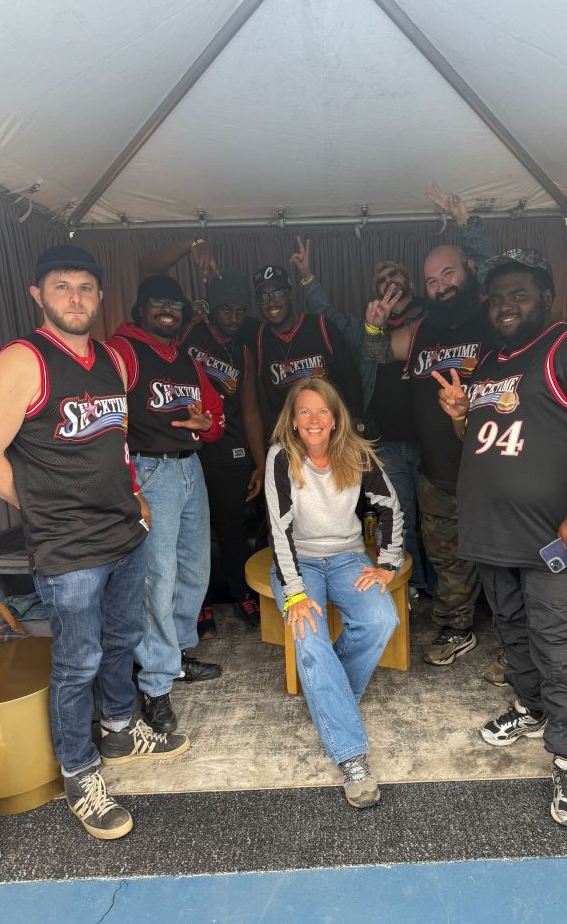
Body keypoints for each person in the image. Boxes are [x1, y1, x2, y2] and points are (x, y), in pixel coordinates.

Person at [0, 245, 189, 840]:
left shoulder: (110, 359)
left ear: (100, 296)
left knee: (121, 640)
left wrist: (136, 495)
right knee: (77, 663)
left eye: (85, 288)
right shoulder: (24, 360)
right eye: (62, 286)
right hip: (68, 547)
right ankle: (79, 772)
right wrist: (42, 507)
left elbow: (115, 441)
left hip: (123, 533)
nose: (74, 298)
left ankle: (121, 730)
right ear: (38, 295)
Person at [435, 248, 567, 827]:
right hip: (494, 535)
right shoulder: (492, 363)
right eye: (497, 298)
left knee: (556, 645)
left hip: (553, 541)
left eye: (519, 294)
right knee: (513, 631)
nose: (506, 306)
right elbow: (483, 437)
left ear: (546, 296)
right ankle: (531, 707)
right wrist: (457, 414)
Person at [291, 185, 494, 601]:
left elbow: (487, 280)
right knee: (399, 516)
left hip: (439, 441)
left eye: (396, 278)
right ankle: (414, 587)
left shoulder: (436, 316)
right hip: (389, 441)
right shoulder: (371, 324)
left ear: (412, 284)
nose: (390, 285)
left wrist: (466, 224)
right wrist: (311, 281)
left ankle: (455, 593)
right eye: (381, 281)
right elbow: (331, 320)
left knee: (449, 522)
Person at [265, 377, 403, 808]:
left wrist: (388, 564)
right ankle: (351, 756)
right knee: (310, 636)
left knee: (381, 618)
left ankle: (331, 702)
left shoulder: (356, 454)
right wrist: (294, 593)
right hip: (299, 561)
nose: (314, 419)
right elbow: (279, 529)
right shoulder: (280, 457)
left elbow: (389, 506)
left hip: (347, 557)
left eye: (322, 410)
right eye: (304, 411)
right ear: (292, 420)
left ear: (336, 417)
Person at [364, 234, 492, 667]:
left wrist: (470, 225)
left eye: (448, 273)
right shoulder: (422, 330)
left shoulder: (494, 318)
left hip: (491, 469)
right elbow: (380, 352)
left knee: (501, 557)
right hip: (438, 471)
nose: (441, 286)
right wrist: (374, 325)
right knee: (447, 557)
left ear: (470, 270)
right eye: (432, 280)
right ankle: (457, 628)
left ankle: (516, 641)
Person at [109, 274, 225, 734]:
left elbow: (214, 420)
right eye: (157, 302)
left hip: (189, 468)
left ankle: (173, 657)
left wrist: (206, 426)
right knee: (157, 579)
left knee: (194, 569)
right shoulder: (123, 351)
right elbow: (107, 421)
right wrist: (130, 484)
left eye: (174, 304)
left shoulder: (186, 360)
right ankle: (155, 683)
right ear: (140, 309)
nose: (166, 310)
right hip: (150, 469)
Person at [181, 272, 266, 635]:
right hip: (188, 448)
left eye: (240, 311)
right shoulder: (189, 333)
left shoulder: (243, 352)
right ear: (210, 309)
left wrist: (260, 462)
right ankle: (199, 604)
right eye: (226, 310)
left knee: (232, 529)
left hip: (230, 450)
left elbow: (250, 411)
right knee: (193, 533)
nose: (234, 318)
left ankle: (243, 594)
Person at [250, 264, 364, 427]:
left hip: (332, 429)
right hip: (291, 434)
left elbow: (350, 376)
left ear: (290, 294)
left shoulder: (321, 326)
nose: (271, 302)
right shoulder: (259, 337)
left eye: (278, 293)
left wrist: (356, 421)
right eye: (263, 297)